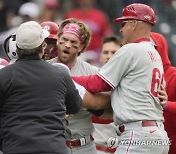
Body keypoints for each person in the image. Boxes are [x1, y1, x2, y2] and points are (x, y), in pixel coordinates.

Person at [72, 3, 170, 154]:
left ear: (134, 24)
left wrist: (65, 76)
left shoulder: (131, 49)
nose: (121, 29)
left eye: (124, 23)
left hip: (138, 135)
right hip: (158, 135)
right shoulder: (155, 54)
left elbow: (98, 84)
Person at [0, 21, 82, 154]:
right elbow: (75, 106)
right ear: (42, 48)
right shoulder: (60, 73)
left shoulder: (2, 77)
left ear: (17, 48)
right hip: (54, 148)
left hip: (16, 148)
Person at [47, 18, 100, 154]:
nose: (67, 45)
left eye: (73, 42)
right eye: (64, 39)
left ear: (81, 47)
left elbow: (108, 106)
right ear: (58, 39)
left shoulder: (93, 73)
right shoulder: (44, 69)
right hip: (54, 146)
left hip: (84, 146)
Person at [92, 35, 122, 154]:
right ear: (100, 56)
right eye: (106, 52)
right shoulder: (90, 81)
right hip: (91, 148)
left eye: (114, 52)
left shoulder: (130, 84)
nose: (109, 56)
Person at [150, 32, 176, 154]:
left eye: (151, 46)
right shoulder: (134, 76)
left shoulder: (174, 75)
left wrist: (166, 105)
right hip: (142, 142)